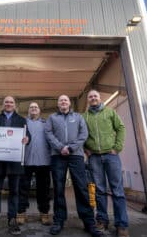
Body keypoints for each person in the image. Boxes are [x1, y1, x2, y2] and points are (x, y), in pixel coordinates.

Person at [45, 95, 102, 237]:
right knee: (58, 188)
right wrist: (60, 148)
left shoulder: (78, 117)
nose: (63, 102)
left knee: (81, 187)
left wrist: (70, 148)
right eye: (60, 100)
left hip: (76, 155)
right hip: (57, 156)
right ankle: (58, 221)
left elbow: (84, 134)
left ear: (69, 103)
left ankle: (89, 222)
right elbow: (48, 133)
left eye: (65, 100)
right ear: (58, 104)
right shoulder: (52, 118)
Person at [82, 90, 128, 237]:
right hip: (94, 157)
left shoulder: (110, 112)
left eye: (95, 96)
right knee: (100, 191)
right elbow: (80, 135)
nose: (93, 98)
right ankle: (102, 221)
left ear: (99, 98)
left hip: (111, 156)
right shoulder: (84, 117)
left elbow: (121, 128)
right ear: (88, 100)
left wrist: (118, 147)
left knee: (117, 191)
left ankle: (121, 225)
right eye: (90, 97)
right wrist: (86, 149)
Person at [0, 96, 31, 236]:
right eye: (6, 102)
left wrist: (27, 139)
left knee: (14, 192)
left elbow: (28, 136)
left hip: (14, 162)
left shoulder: (22, 120)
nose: (9, 104)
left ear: (15, 105)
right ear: (3, 105)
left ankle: (12, 220)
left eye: (11, 102)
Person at [17, 102, 52, 225]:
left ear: (39, 111)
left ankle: (44, 213)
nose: (33, 109)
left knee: (44, 190)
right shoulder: (22, 123)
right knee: (23, 189)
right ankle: (21, 213)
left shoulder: (46, 124)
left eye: (35, 107)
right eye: (31, 107)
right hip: (25, 161)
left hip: (44, 162)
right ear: (28, 110)